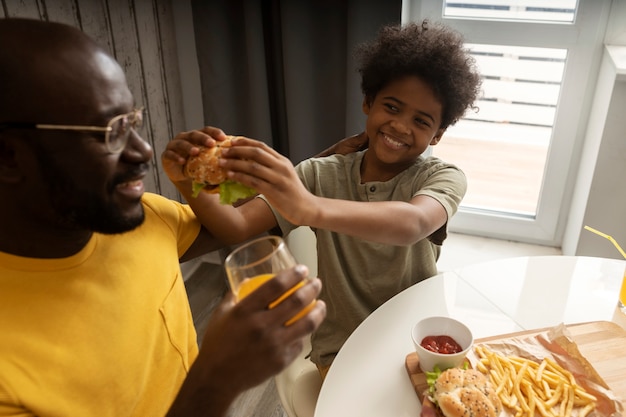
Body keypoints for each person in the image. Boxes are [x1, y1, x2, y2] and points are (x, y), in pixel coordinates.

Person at [0, 18, 328, 417]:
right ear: (10, 156)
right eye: (110, 131)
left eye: (133, 121)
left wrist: (195, 182)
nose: (144, 152)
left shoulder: (145, 217)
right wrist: (217, 382)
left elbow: (228, 226)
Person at [163, 20, 481, 379]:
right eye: (392, 107)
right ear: (367, 101)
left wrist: (307, 206)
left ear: (437, 135)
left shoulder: (442, 177)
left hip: (414, 336)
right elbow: (234, 226)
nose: (401, 126)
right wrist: (187, 180)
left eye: (421, 121)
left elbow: (414, 223)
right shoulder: (317, 174)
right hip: (341, 346)